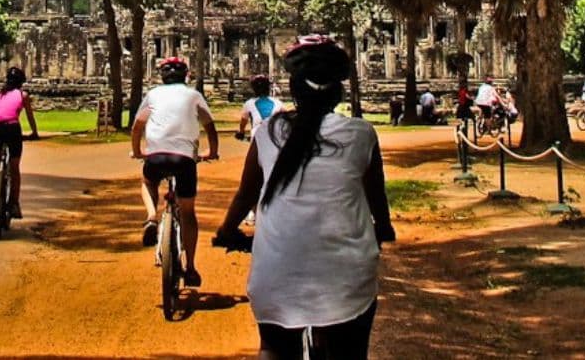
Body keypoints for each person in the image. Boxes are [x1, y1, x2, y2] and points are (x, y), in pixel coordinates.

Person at [214, 35, 395, 360]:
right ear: (337, 92)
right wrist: (384, 229)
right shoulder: (360, 133)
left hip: (277, 282)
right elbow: (376, 197)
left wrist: (226, 232)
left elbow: (245, 196)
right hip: (346, 285)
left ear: (293, 89)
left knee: (274, 348)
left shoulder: (268, 132)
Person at [131, 56, 220, 288]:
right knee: (188, 212)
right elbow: (210, 126)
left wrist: (138, 151)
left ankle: (151, 216)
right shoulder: (193, 95)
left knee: (148, 181)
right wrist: (212, 152)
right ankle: (190, 267)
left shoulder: (153, 95)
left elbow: (137, 126)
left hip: (156, 156)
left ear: (162, 76)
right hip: (185, 159)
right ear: (186, 76)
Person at [0, 67, 39, 219]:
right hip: (13, 129)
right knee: (14, 168)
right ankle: (14, 203)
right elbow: (29, 116)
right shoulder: (23, 95)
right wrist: (34, 133)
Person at [237, 75, 283, 141]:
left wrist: (241, 132)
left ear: (254, 89)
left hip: (257, 137)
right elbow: (286, 118)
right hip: (275, 137)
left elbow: (243, 122)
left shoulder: (249, 103)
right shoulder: (278, 103)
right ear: (268, 88)